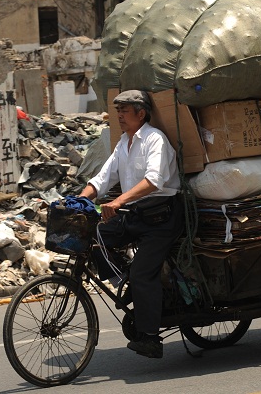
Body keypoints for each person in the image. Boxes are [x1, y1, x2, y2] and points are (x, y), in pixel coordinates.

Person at [79, 89, 182, 359]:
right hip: (136, 214)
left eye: (124, 111)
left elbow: (153, 181)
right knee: (93, 235)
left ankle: (150, 338)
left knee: (142, 274)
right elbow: (102, 179)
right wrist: (79, 201)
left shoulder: (154, 139)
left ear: (141, 113)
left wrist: (118, 201)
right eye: (118, 112)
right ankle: (122, 280)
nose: (120, 117)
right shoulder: (124, 142)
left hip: (162, 218)